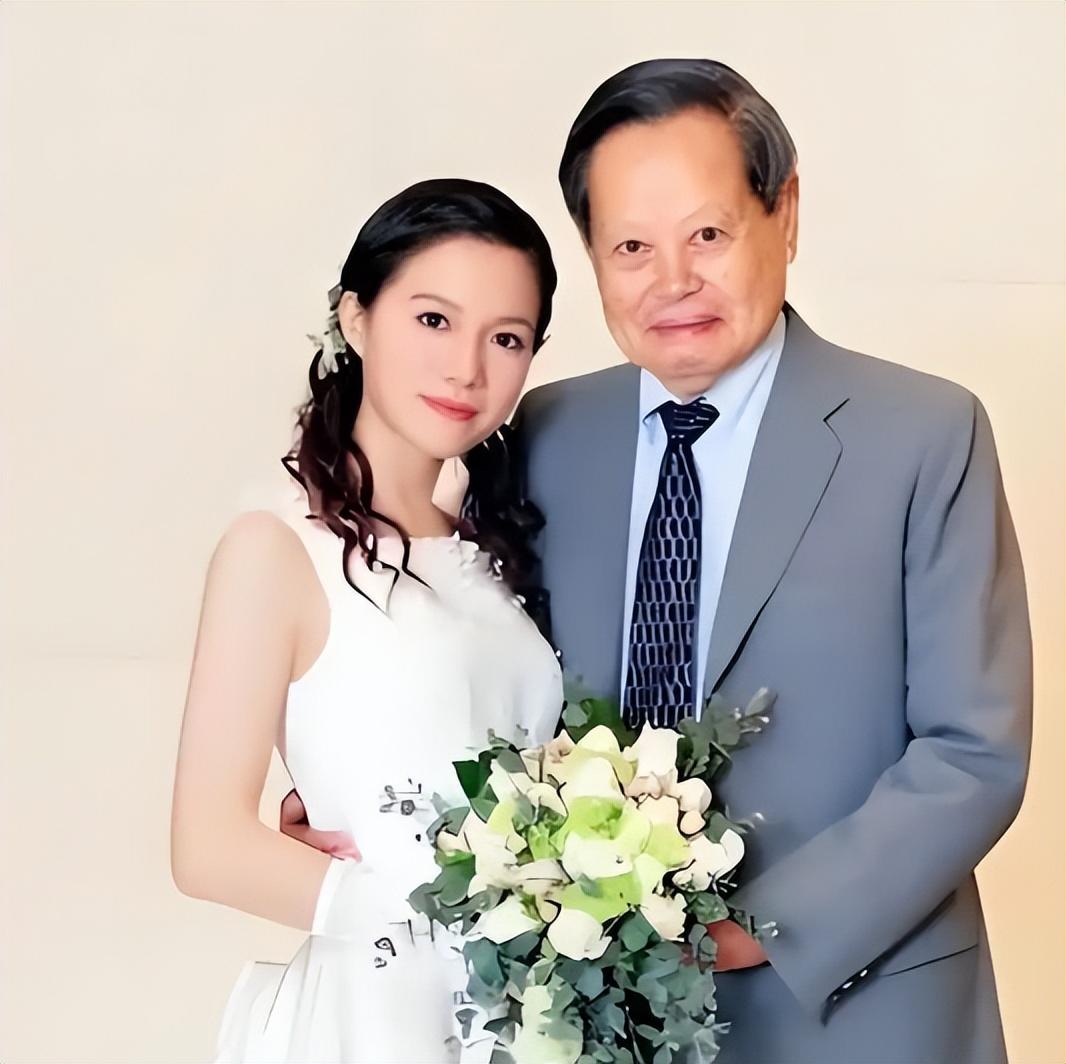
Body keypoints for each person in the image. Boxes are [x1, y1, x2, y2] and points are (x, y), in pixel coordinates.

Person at [512, 59, 1032, 1063]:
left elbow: (974, 751)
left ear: (783, 213)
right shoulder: (544, 434)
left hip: (860, 1010)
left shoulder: (923, 432)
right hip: (602, 1018)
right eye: (631, 247)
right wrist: (355, 788)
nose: (672, 281)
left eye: (707, 234)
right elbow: (482, 658)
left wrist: (764, 927)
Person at [170, 179, 564, 1063]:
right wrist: (447, 922)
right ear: (356, 317)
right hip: (378, 1010)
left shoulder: (491, 554)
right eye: (433, 320)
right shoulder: (276, 549)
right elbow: (207, 846)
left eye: (505, 338)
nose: (466, 368)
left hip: (521, 1012)